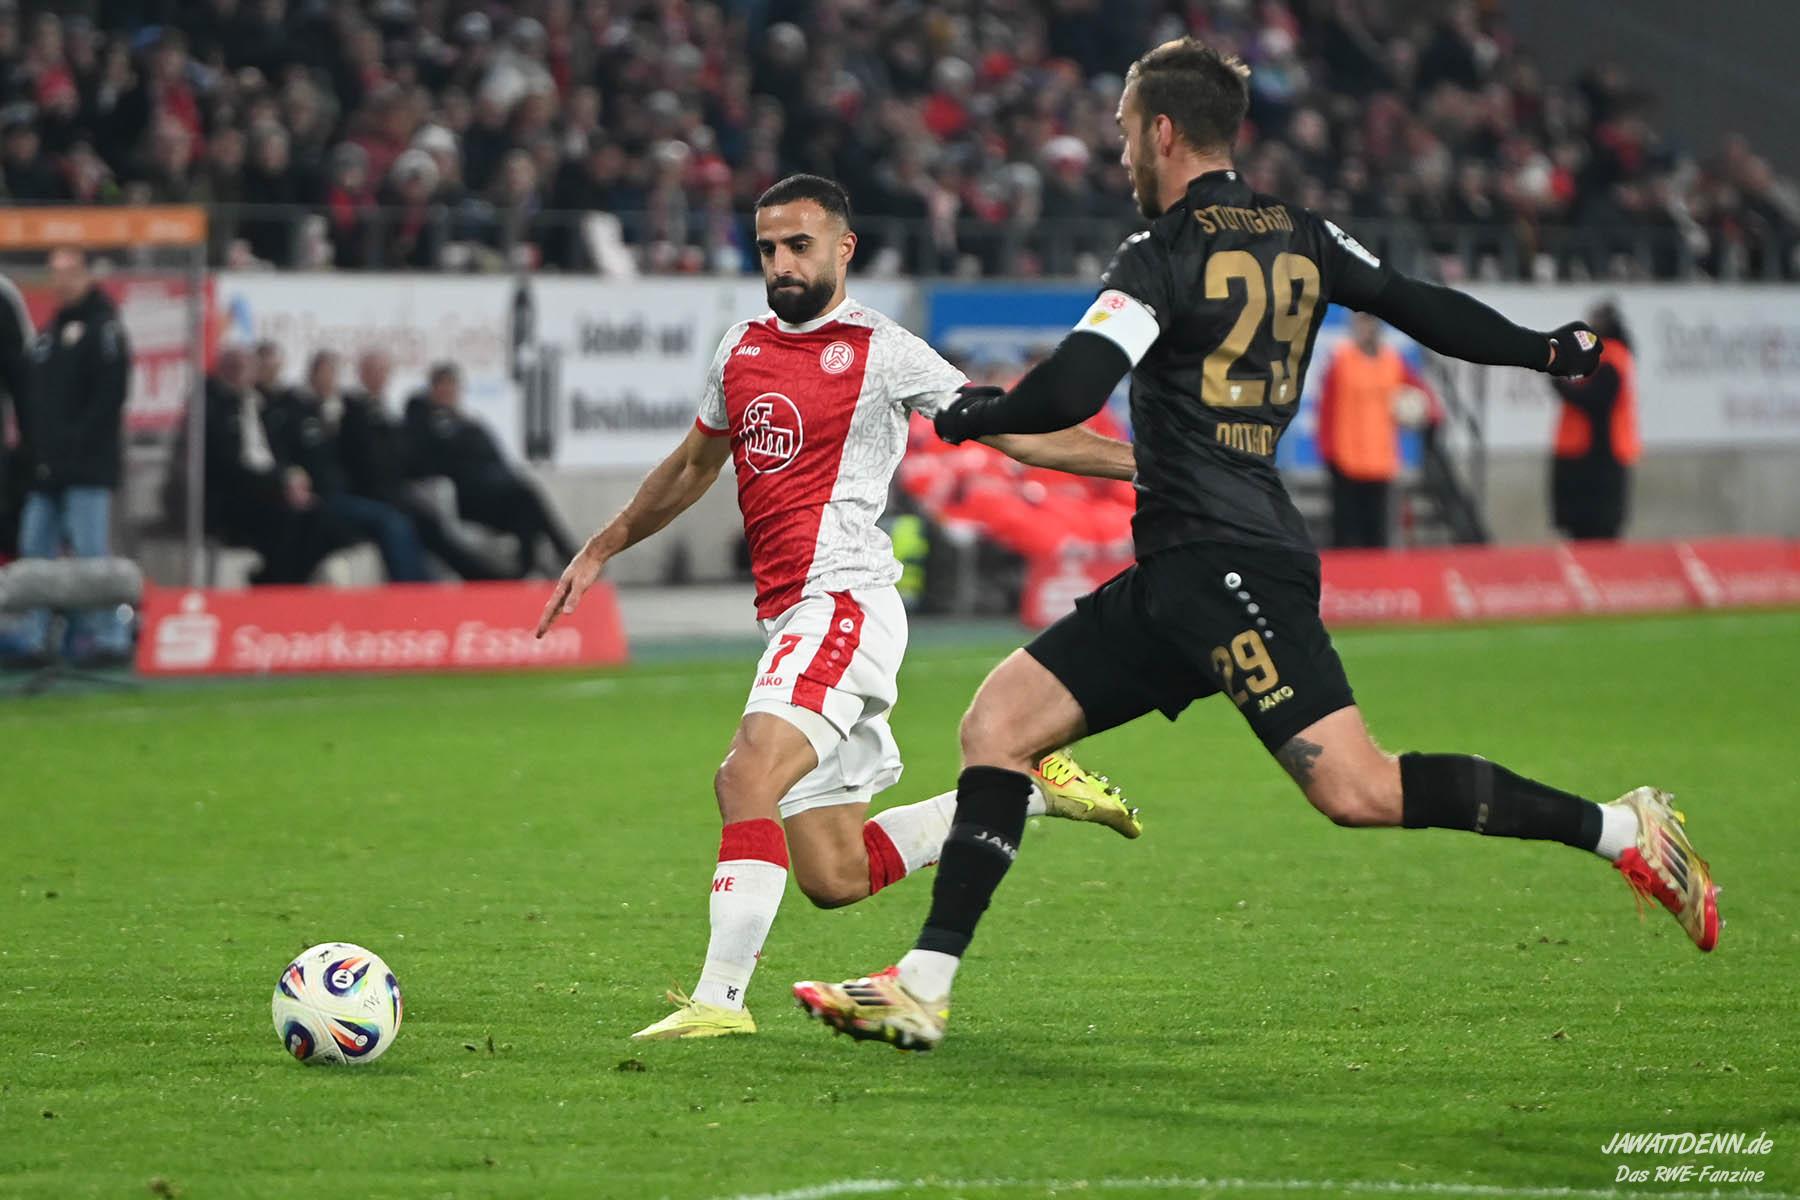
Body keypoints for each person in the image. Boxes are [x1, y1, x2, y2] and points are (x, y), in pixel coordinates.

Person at [793, 40, 1719, 1053]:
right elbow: (1417, 303)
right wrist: (1545, 350)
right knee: (1000, 726)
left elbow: (1074, 388)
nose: (1121, 157)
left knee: (1357, 790)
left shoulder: (1159, 254)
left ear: (1161, 131)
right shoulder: (1303, 235)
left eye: (1124, 135)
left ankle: (1622, 830)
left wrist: (978, 412)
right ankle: (922, 985)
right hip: (1184, 566)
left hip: (1227, 561)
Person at [537, 174, 1144, 1042]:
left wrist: (1145, 465)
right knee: (835, 872)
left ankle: (719, 1002)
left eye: (800, 246)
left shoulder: (883, 349)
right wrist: (603, 545)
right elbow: (693, 465)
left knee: (744, 775)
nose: (782, 265)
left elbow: (1010, 427)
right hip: (792, 616)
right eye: (768, 250)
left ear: (843, 248)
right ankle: (1028, 790)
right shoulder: (741, 347)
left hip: (843, 601)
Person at [5, 247, 133, 667]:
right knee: (34, 553)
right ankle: (34, 638)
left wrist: (74, 447)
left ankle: (109, 638)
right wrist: (37, 451)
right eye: (54, 273)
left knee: (90, 555)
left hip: (86, 467)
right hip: (45, 467)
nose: (59, 282)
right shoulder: (49, 335)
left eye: (67, 273)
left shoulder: (104, 330)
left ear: (86, 275)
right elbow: (34, 401)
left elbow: (107, 402)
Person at [196, 346, 362, 585]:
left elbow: (278, 450)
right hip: (235, 496)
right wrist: (280, 482)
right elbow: (228, 463)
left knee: (321, 519)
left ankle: (286, 582)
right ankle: (276, 583)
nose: (241, 374)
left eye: (246, 368)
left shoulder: (262, 404)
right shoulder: (211, 404)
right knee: (292, 519)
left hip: (274, 487)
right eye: (234, 368)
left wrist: (292, 475)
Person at [264, 350, 429, 582]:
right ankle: (411, 588)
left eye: (332, 374)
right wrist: (292, 476)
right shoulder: (295, 412)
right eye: (323, 373)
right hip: (323, 496)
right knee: (391, 522)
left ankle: (424, 585)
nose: (328, 380)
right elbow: (285, 454)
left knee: (412, 517)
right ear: (312, 375)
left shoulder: (349, 410)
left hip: (351, 492)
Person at [402, 362, 576, 577]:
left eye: (452, 386)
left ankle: (528, 569)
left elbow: (496, 458)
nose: (448, 392)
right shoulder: (424, 421)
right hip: (464, 499)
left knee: (525, 507)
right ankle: (562, 554)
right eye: (443, 386)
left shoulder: (468, 424)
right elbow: (432, 459)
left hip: (492, 495)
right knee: (525, 497)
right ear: (433, 389)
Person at [344, 350, 505, 580]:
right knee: (401, 524)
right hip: (372, 492)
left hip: (397, 489)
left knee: (431, 524)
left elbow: (406, 456)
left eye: (383, 371)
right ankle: (416, 586)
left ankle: (477, 576)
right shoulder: (353, 409)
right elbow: (365, 460)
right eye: (373, 371)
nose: (379, 377)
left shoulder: (387, 411)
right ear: (362, 374)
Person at [1315, 312, 1442, 549]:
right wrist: (1327, 449)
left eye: (1370, 322)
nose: (1366, 328)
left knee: (1377, 537)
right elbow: (1326, 408)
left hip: (1381, 462)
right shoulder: (1341, 360)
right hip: (1346, 460)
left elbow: (1419, 392)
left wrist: (1433, 415)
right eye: (1361, 322)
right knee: (1345, 536)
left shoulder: (1392, 361)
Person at [1549, 301, 1640, 541]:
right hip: (1589, 451)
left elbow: (1596, 398)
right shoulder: (1610, 355)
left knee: (1595, 527)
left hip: (1598, 452)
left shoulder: (1609, 356)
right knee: (1590, 527)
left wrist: (1560, 384)